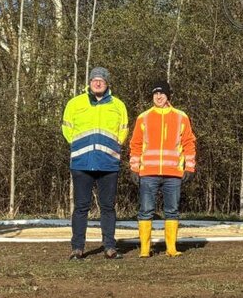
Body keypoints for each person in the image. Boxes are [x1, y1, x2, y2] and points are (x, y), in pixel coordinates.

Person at [61, 66, 129, 260]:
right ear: (89, 83)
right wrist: (77, 144)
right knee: (81, 207)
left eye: (101, 80)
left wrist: (114, 147)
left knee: (108, 206)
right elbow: (67, 128)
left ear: (107, 83)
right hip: (82, 162)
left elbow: (123, 130)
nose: (97, 83)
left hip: (108, 163)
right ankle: (77, 248)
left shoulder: (118, 105)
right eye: (94, 80)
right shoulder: (75, 103)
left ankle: (109, 246)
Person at [129, 79, 196, 258]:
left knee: (172, 210)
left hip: (173, 172)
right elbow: (135, 144)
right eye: (155, 93)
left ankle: (171, 248)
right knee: (146, 210)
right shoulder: (143, 117)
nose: (158, 96)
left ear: (168, 96)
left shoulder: (181, 116)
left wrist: (189, 167)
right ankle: (144, 249)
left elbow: (188, 143)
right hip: (148, 172)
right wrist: (134, 168)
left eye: (162, 93)